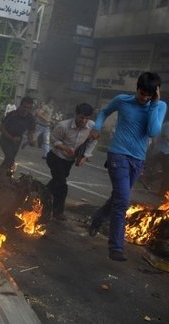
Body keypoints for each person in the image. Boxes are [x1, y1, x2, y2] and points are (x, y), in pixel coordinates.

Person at [88, 72, 167, 262]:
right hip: (118, 155)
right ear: (137, 88)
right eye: (142, 93)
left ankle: (98, 217)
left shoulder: (160, 106)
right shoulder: (122, 100)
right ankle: (116, 247)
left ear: (155, 93)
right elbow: (104, 112)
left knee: (118, 196)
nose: (144, 98)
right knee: (123, 200)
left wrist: (154, 104)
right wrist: (97, 127)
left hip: (138, 160)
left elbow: (153, 131)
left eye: (149, 95)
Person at [45, 103, 97, 220]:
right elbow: (53, 140)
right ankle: (58, 212)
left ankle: (40, 194)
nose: (84, 121)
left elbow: (93, 141)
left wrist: (85, 156)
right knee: (62, 184)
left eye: (87, 118)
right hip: (55, 157)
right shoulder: (63, 126)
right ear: (76, 115)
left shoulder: (92, 126)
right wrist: (65, 148)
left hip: (68, 161)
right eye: (81, 117)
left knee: (56, 182)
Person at [0, 96, 36, 170]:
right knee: (10, 159)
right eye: (25, 107)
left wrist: (31, 140)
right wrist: (12, 138)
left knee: (9, 160)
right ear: (21, 105)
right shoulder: (12, 114)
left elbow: (30, 131)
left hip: (17, 140)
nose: (26, 109)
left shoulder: (30, 118)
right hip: (5, 138)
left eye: (29, 108)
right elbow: (2, 128)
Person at [157, 119, 169, 196]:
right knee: (166, 173)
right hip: (165, 152)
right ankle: (162, 191)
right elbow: (166, 137)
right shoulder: (167, 125)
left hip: (165, 152)